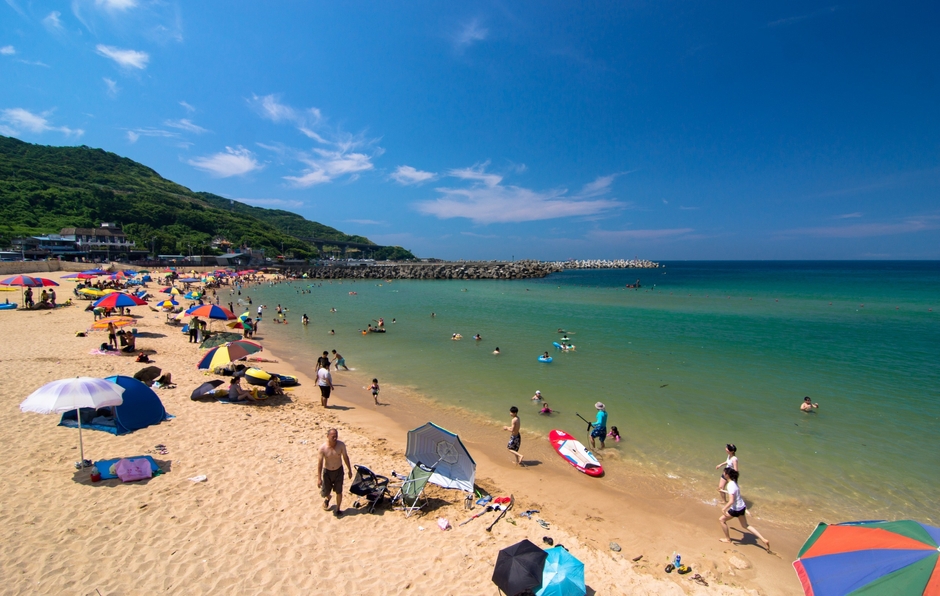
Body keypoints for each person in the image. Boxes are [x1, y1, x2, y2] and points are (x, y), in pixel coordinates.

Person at [718, 469, 771, 551]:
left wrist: (724, 508)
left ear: (727, 475)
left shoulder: (730, 485)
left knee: (721, 520)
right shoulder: (734, 482)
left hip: (736, 509)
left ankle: (728, 539)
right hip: (742, 507)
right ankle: (763, 539)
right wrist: (722, 490)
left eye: (724, 473)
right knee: (745, 525)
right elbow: (733, 493)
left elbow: (731, 501)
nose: (723, 474)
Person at [317, 428, 352, 517]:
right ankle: (328, 497)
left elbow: (345, 457)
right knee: (325, 492)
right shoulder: (323, 448)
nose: (335, 438)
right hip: (327, 472)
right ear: (327, 436)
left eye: (336, 436)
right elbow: (320, 463)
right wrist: (319, 478)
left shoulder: (341, 445)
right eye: (333, 436)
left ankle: (338, 509)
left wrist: (349, 470)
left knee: (339, 491)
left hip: (338, 471)